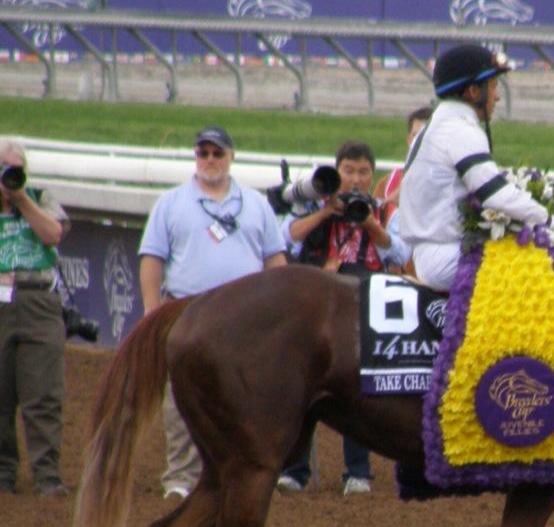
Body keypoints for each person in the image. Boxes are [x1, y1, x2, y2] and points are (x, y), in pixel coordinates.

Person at [138, 125, 287, 500]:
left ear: (231, 157)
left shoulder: (256, 204)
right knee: (182, 398)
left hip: (245, 315)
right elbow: (152, 258)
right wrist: (151, 311)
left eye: (217, 153)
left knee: (250, 395)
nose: (209, 160)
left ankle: (246, 471)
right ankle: (181, 476)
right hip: (186, 309)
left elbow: (275, 260)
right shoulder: (170, 203)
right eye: (203, 153)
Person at [277, 139, 409, 495]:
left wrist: (368, 223)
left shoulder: (383, 210)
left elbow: (400, 250)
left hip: (362, 305)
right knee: (304, 383)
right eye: (348, 171)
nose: (355, 179)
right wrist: (323, 213)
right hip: (316, 304)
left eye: (363, 172)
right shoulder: (314, 203)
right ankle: (294, 470)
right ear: (337, 172)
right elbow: (284, 238)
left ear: (372, 175)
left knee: (359, 388)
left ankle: (358, 472)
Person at [398, 44, 554, 291]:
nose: (497, 96)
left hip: (434, 253)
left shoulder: (441, 122)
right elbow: (495, 195)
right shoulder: (460, 129)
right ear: (473, 91)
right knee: (534, 275)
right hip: (446, 258)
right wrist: (550, 221)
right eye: (493, 86)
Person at [0, 138, 72, 497]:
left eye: (17, 170)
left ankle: (47, 475)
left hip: (37, 300)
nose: (10, 177)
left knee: (43, 393)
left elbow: (53, 234)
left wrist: (21, 199)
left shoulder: (41, 198)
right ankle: (2, 473)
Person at [373, 105, 433, 266]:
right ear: (408, 140)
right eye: (416, 136)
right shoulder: (386, 184)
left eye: (427, 136)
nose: (421, 143)